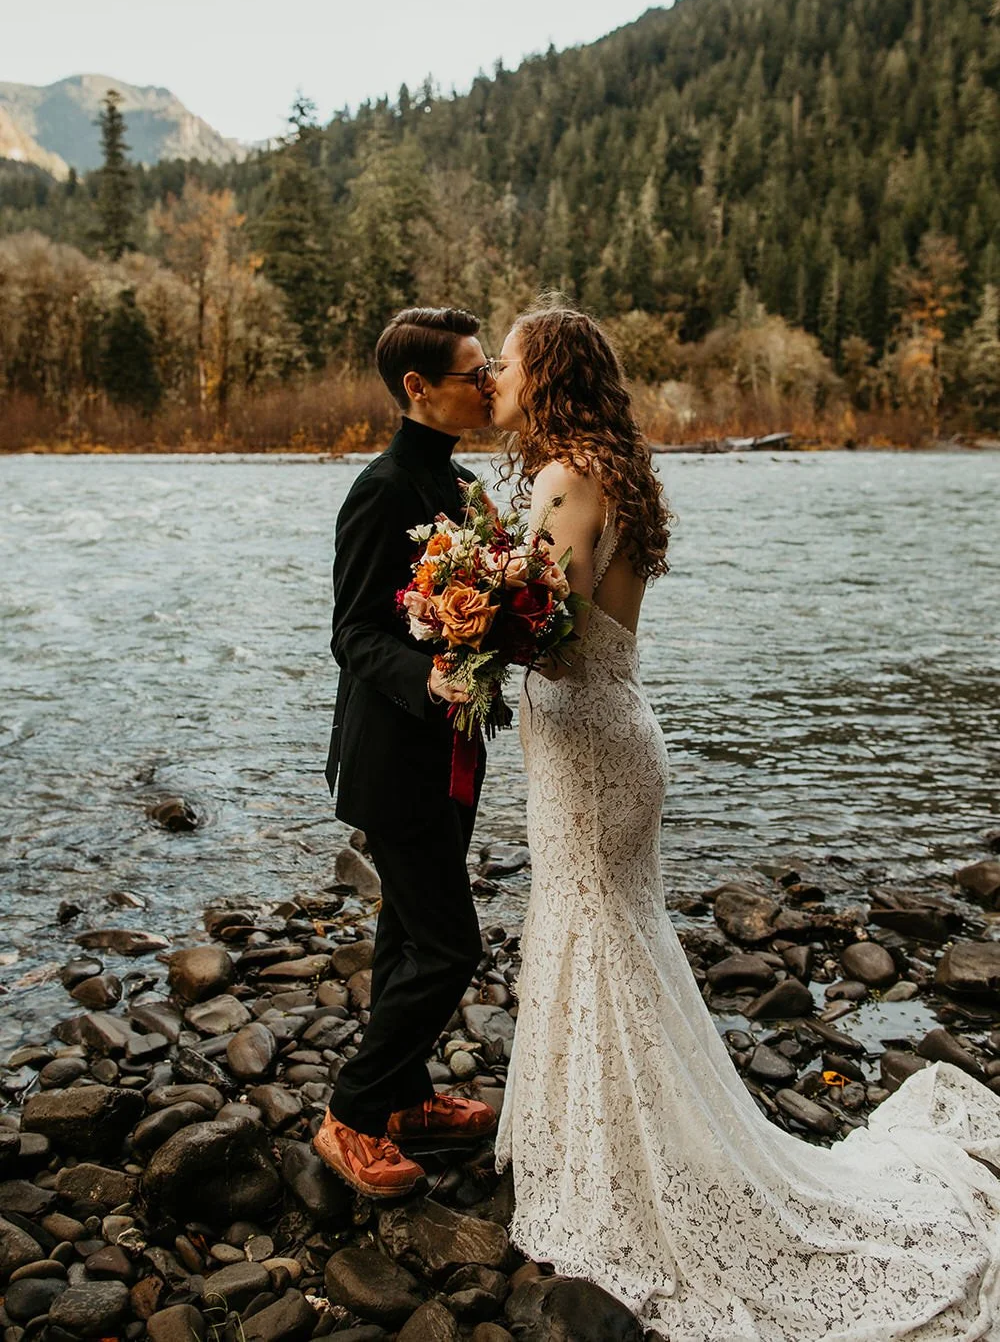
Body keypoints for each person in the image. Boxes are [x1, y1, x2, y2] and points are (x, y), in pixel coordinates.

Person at [489, 305, 1000, 1340]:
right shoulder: (613, 467)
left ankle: (611, 1176)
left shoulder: (560, 478)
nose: (491, 377)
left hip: (586, 744)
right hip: (618, 729)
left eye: (503, 362)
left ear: (541, 373)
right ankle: (617, 1144)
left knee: (593, 934)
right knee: (613, 934)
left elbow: (547, 628)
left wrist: (459, 621)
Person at [313, 306, 499, 1199]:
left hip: (453, 753)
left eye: (492, 366)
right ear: (419, 388)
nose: (490, 383)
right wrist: (430, 679)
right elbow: (352, 633)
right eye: (475, 372)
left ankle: (403, 1099)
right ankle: (349, 1113)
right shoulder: (382, 488)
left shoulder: (463, 488)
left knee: (406, 933)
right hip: (393, 757)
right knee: (449, 947)